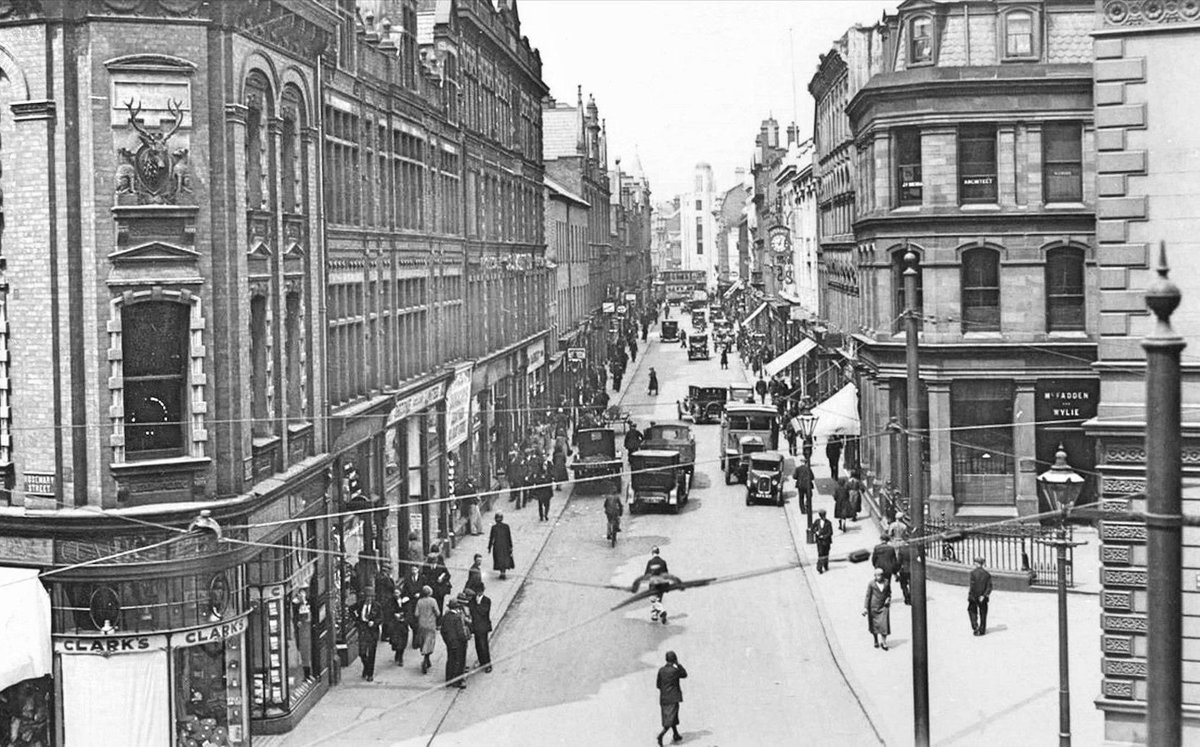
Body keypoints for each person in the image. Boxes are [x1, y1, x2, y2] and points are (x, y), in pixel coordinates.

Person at [655, 651, 688, 746]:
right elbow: (685, 674)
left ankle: (676, 734)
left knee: (671, 717)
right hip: (673, 698)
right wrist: (678, 664)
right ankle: (661, 735)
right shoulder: (675, 671)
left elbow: (658, 685)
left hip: (664, 698)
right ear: (674, 659)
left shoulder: (661, 670)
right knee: (670, 718)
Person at [440, 596, 470, 688]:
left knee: (450, 660)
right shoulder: (457, 618)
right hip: (459, 643)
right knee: (459, 661)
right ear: (457, 607)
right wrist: (465, 639)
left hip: (450, 643)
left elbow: (443, 631)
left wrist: (447, 641)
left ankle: (448, 680)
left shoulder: (446, 616)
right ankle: (458, 681)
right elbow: (460, 632)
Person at [465, 586, 493, 673]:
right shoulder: (473, 600)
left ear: (483, 591)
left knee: (484, 646)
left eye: (480, 592)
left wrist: (477, 604)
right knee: (478, 645)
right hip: (476, 626)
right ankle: (481, 661)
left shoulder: (486, 600)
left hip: (483, 627)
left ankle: (488, 664)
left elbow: (483, 611)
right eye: (477, 592)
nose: (479, 593)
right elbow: (471, 610)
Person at [863, 568, 892, 650]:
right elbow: (868, 596)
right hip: (874, 607)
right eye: (877, 575)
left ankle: (884, 642)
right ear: (875, 576)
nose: (879, 577)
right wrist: (865, 608)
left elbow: (889, 593)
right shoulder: (871, 584)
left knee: (884, 625)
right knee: (874, 625)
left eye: (881, 575)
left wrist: (888, 599)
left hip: (884, 606)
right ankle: (875, 640)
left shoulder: (886, 582)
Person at [414, 585, 440, 674]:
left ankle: (426, 658)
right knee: (429, 641)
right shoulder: (433, 601)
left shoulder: (419, 601)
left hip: (421, 624)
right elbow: (438, 612)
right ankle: (426, 657)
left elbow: (416, 614)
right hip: (431, 624)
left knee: (423, 640)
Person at [380, 584, 408, 666]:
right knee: (396, 641)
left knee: (403, 641)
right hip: (395, 624)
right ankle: (397, 653)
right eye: (395, 593)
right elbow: (388, 611)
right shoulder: (390, 601)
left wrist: (404, 616)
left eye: (398, 593)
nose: (396, 594)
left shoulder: (405, 600)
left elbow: (409, 610)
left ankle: (401, 657)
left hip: (403, 623)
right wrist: (394, 614)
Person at [357, 594, 382, 681]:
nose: (369, 599)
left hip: (372, 632)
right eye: (367, 597)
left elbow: (381, 618)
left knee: (371, 653)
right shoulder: (360, 604)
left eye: (370, 597)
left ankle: (370, 674)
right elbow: (351, 609)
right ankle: (366, 667)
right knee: (362, 653)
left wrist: (374, 623)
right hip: (363, 629)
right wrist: (357, 620)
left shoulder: (377, 606)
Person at [400, 565, 423, 651]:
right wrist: (405, 597)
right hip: (410, 603)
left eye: (415, 569)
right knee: (413, 622)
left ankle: (417, 642)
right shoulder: (408, 579)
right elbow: (405, 590)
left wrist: (420, 594)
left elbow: (425, 588)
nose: (413, 571)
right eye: (412, 569)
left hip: (419, 602)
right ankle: (415, 641)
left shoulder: (422, 578)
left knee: (418, 622)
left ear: (418, 570)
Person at [968, 557, 993, 636]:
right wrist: (984, 595)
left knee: (971, 610)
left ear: (976, 563)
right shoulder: (987, 574)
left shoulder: (973, 573)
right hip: (983, 597)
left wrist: (971, 595)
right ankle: (982, 630)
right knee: (983, 613)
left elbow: (973, 586)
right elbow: (989, 587)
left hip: (974, 596)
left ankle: (975, 627)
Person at [488, 513, 514, 579]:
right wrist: (511, 546)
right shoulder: (506, 526)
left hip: (497, 546)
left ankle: (502, 572)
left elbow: (491, 538)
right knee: (504, 558)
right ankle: (503, 572)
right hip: (505, 545)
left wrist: (489, 547)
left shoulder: (494, 527)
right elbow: (509, 537)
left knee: (499, 558)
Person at [813, 508, 834, 573]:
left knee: (826, 554)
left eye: (824, 516)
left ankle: (825, 565)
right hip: (819, 542)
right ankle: (819, 567)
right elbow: (812, 528)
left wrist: (824, 536)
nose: (823, 517)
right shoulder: (817, 522)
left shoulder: (828, 523)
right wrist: (816, 532)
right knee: (820, 554)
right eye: (822, 516)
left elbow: (830, 532)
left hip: (826, 542)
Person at [895, 539, 913, 605]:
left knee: (904, 585)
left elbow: (899, 561)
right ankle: (912, 598)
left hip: (903, 569)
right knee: (912, 585)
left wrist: (896, 570)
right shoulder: (913, 548)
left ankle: (907, 599)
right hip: (912, 569)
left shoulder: (901, 549)